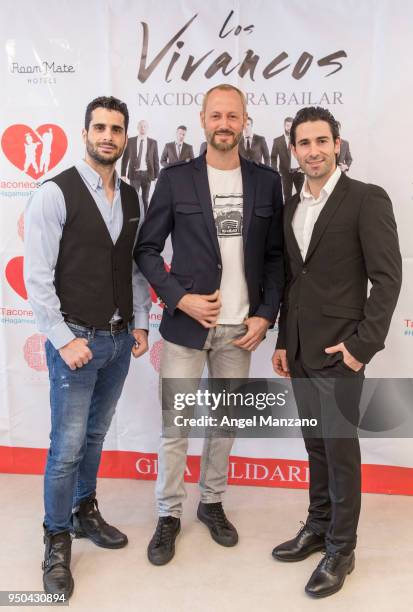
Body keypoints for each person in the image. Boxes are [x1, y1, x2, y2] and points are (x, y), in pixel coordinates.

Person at [135, 83, 284, 566]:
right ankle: (168, 515)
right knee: (175, 427)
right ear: (202, 119)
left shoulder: (267, 181)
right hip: (186, 329)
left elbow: (276, 257)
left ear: (245, 122)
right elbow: (147, 249)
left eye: (233, 116)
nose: (224, 123)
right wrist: (179, 299)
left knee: (224, 425)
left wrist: (266, 314)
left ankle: (212, 503)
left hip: (240, 331)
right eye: (216, 115)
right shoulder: (176, 178)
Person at [271, 106, 402, 598]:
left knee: (341, 452)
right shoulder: (291, 207)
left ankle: (341, 549)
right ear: (294, 150)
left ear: (337, 143)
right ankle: (318, 527)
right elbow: (291, 282)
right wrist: (284, 341)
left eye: (321, 141)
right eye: (304, 143)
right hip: (302, 351)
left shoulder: (366, 199)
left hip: (340, 353)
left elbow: (387, 279)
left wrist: (360, 348)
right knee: (315, 446)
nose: (313, 151)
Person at [24, 96, 151, 599]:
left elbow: (136, 269)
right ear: (85, 133)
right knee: (65, 449)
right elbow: (36, 279)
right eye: (100, 127)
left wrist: (140, 324)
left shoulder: (133, 196)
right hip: (75, 341)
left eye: (116, 129)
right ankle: (56, 538)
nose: (108, 136)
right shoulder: (54, 193)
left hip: (120, 342)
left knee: (95, 436)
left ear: (125, 138)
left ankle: (83, 511)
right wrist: (63, 338)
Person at [121, 119, 159, 213]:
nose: (143, 128)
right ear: (138, 128)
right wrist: (123, 174)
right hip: (134, 174)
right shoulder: (130, 141)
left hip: (147, 174)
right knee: (134, 199)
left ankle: (145, 219)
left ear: (147, 128)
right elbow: (125, 158)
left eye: (144, 126)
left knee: (145, 199)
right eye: (141, 126)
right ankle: (135, 218)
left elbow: (156, 160)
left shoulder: (153, 142)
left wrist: (157, 176)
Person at [271, 116, 304, 202]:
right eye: (287, 126)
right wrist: (275, 171)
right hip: (285, 173)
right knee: (287, 196)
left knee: (302, 196)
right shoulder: (277, 141)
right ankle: (288, 214)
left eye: (291, 126)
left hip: (299, 172)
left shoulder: (300, 139)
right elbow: (273, 157)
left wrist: (304, 168)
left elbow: (305, 154)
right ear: (284, 126)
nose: (289, 128)